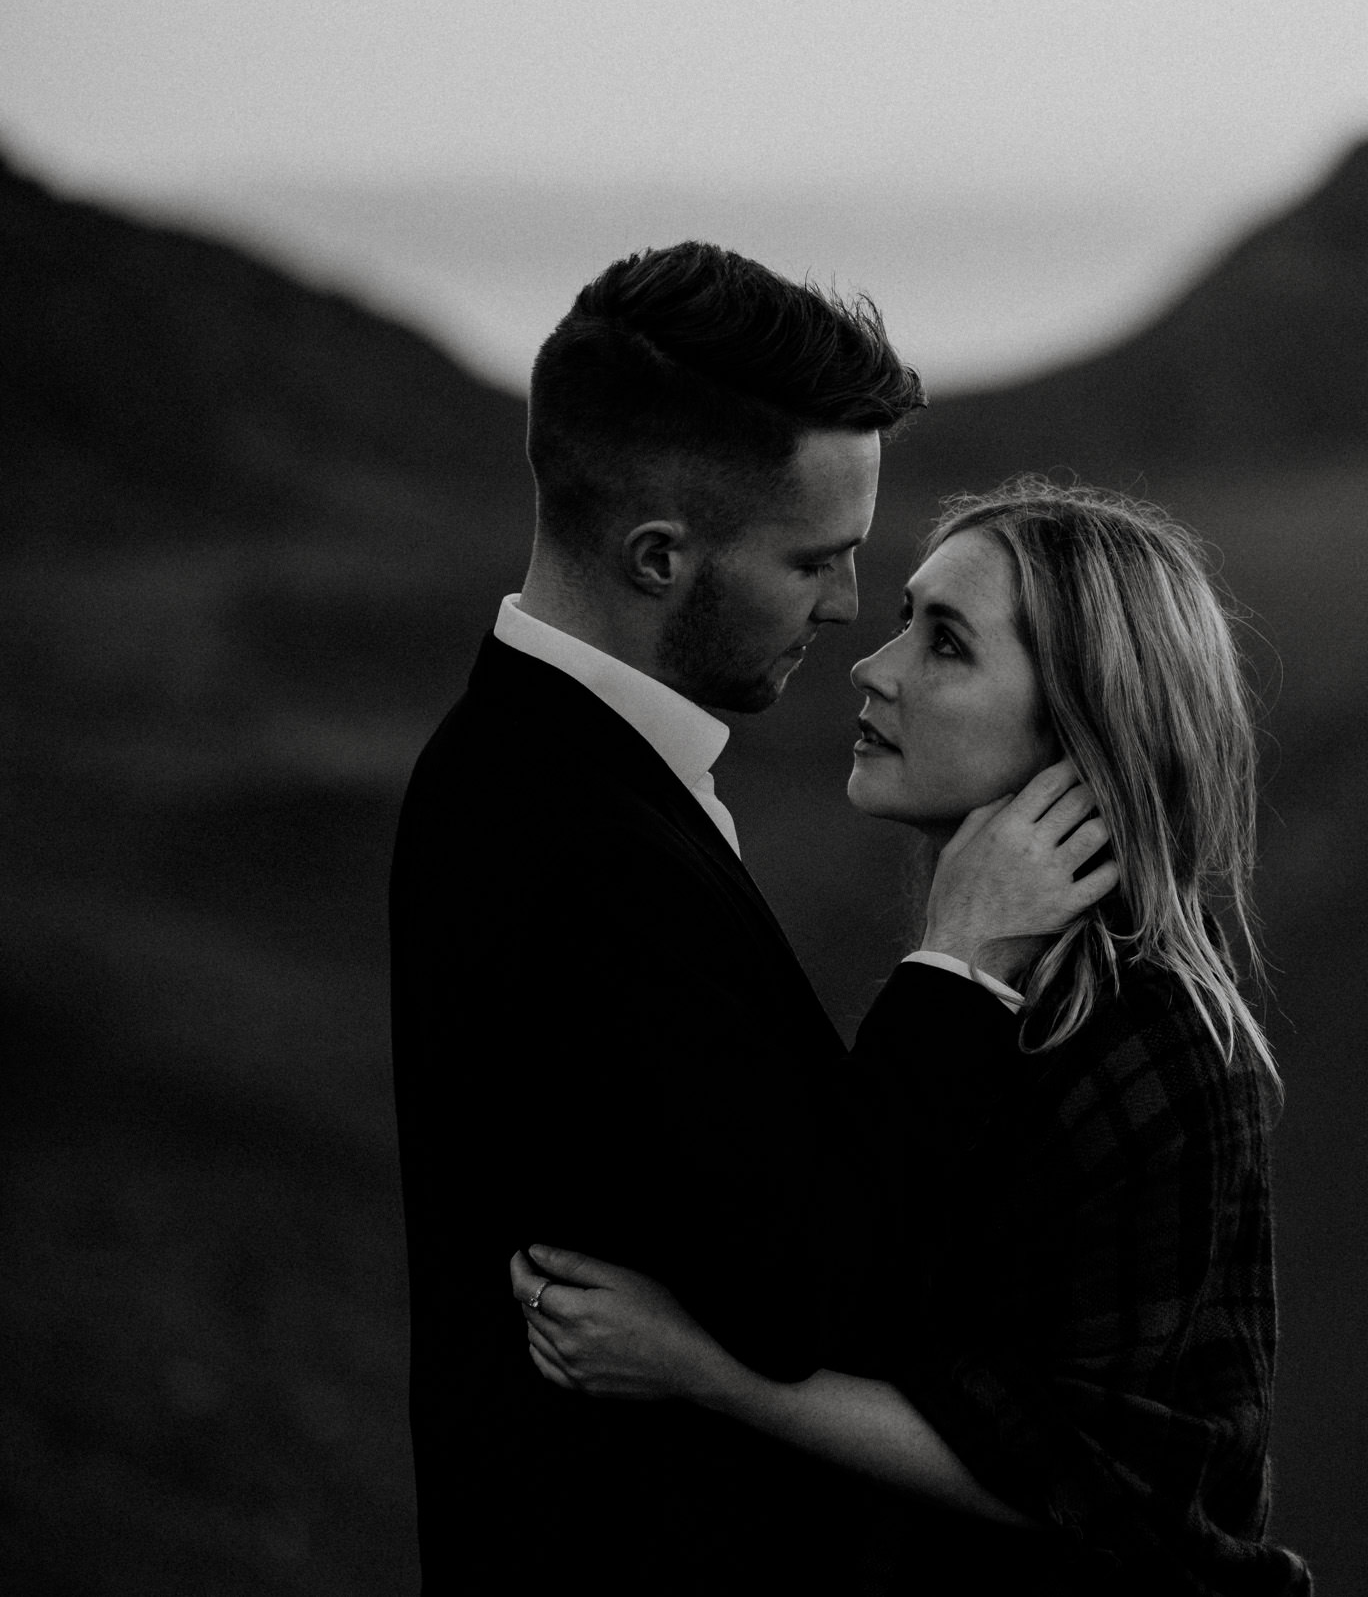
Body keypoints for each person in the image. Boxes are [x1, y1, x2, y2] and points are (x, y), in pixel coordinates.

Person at [389, 246, 1114, 1591]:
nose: (847, 607)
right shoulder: (584, 845)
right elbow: (803, 1295)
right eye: (816, 560)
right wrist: (954, 965)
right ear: (660, 556)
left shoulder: (524, 768)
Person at [506, 481, 1312, 1594]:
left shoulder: (1158, 1041)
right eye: (902, 620)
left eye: (945, 644)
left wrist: (699, 1366)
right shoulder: (994, 989)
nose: (873, 669)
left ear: (1083, 725)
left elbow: (1105, 1477)